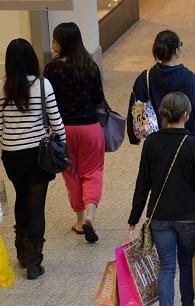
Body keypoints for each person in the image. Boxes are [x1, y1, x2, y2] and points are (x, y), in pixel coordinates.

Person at [128, 92, 195, 306]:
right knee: (186, 263)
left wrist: (133, 218)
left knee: (166, 267)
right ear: (186, 115)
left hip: (160, 216)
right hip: (188, 216)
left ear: (164, 114)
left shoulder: (152, 143)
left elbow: (142, 184)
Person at [0, 39, 66, 279]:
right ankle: (34, 264)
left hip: (12, 154)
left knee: (21, 197)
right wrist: (63, 144)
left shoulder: (4, 87)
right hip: (37, 154)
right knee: (36, 206)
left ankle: (21, 254)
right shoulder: (42, 85)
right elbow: (56, 120)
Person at [44, 22, 105, 243]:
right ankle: (90, 214)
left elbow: (47, 103)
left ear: (63, 42)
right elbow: (99, 99)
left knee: (72, 173)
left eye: (55, 40)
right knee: (93, 171)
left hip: (64, 129)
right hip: (90, 128)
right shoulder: (90, 65)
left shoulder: (51, 69)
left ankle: (79, 220)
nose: (52, 43)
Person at [127, 30, 195, 144]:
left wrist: (133, 137)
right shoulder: (190, 78)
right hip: (187, 140)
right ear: (176, 51)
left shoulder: (145, 78)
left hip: (157, 141)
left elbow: (135, 109)